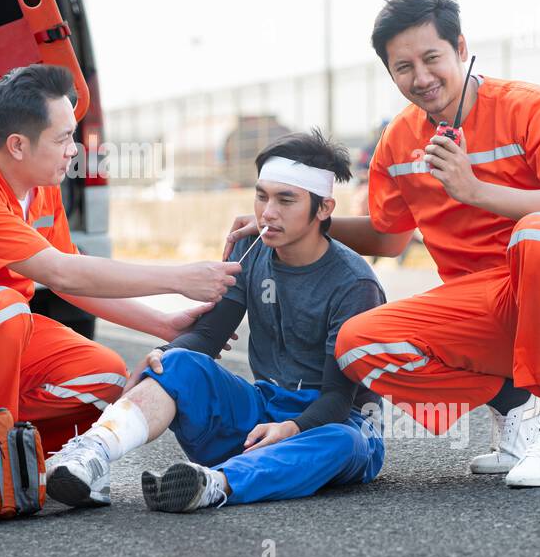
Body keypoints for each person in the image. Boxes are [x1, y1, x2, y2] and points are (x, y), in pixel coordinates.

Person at [226, 0, 540, 487]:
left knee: (538, 232)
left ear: (461, 49)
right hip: (488, 312)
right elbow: (387, 239)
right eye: (403, 67)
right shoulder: (400, 140)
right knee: (357, 344)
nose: (421, 78)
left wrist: (474, 189)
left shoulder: (534, 108)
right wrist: (291, 221)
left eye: (432, 58)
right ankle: (517, 416)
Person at [0, 64, 242, 453]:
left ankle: (28, 461)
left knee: (107, 379)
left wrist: (165, 325)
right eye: (63, 138)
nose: (74, 150)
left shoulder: (41, 183)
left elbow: (68, 277)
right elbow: (63, 272)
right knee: (0, 307)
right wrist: (179, 279)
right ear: (18, 145)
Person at [46, 129, 386, 511]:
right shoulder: (251, 247)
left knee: (344, 441)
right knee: (177, 362)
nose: (267, 213)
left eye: (285, 200)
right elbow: (207, 337)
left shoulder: (354, 283)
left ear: (323, 209)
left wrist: (290, 429)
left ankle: (216, 483)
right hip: (264, 414)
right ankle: (91, 453)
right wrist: (164, 357)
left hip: (332, 425)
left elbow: (338, 400)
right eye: (261, 196)